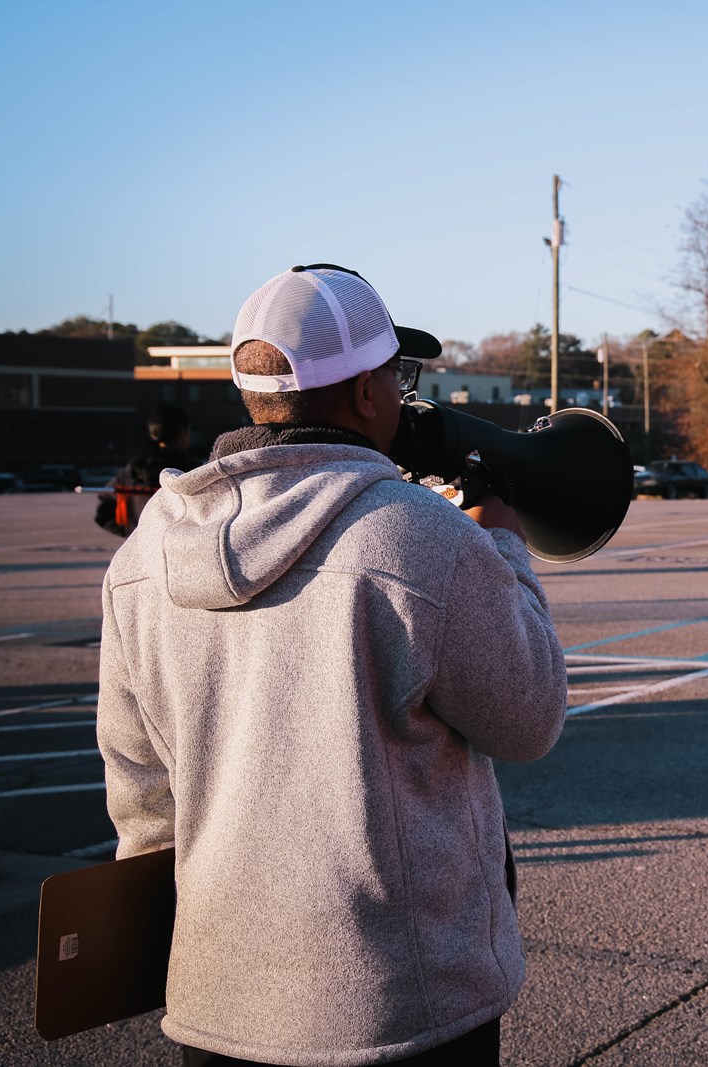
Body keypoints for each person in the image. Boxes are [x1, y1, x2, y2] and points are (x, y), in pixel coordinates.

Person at [96, 264, 569, 1065]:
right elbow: (529, 718)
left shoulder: (143, 557)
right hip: (403, 1008)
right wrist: (506, 548)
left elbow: (142, 796)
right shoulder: (421, 536)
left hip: (217, 1004)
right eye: (396, 374)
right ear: (364, 395)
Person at [95, 404, 198, 537]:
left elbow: (104, 507)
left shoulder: (134, 469)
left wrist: (132, 532)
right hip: (181, 546)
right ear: (183, 432)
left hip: (142, 547)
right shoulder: (191, 471)